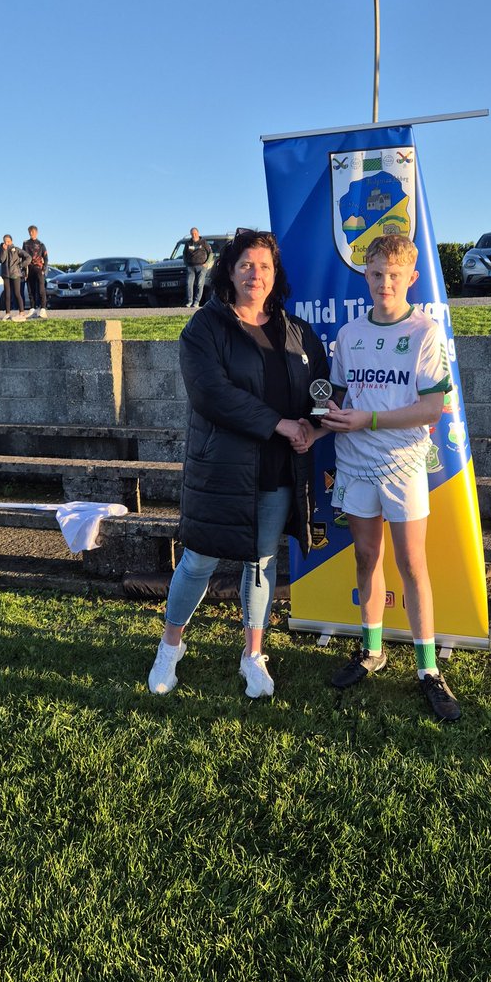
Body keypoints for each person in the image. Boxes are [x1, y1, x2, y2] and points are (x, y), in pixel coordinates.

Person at [147, 228, 328, 700]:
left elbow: (321, 388)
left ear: (275, 274)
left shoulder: (296, 331)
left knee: (261, 563)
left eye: (264, 266)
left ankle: (253, 654)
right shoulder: (204, 328)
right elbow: (212, 394)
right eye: (246, 264)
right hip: (221, 471)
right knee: (198, 561)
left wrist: (313, 425)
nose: (255, 274)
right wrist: (279, 424)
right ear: (228, 270)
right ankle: (170, 646)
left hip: (276, 471)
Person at [319, 234, 461, 722]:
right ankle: (372, 650)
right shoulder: (348, 334)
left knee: (412, 563)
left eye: (395, 275)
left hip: (402, 463)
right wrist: (321, 419)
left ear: (411, 278)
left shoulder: (425, 332)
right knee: (366, 556)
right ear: (366, 275)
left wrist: (370, 420)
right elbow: (338, 397)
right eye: (377, 274)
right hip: (355, 462)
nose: (385, 283)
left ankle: (428, 668)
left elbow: (432, 408)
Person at [0, 235, 31, 320]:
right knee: (7, 294)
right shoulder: (0, 249)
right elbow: (1, 259)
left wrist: (21, 265)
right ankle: (7, 313)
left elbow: (28, 257)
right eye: (5, 241)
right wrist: (3, 250)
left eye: (8, 241)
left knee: (17, 293)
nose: (6, 243)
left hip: (15, 274)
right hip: (6, 275)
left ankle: (21, 312)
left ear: (11, 241)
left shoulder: (16, 249)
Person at [23, 225, 49, 318]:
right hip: (29, 268)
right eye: (30, 232)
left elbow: (46, 257)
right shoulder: (25, 244)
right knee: (31, 290)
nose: (31, 233)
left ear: (36, 233)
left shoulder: (41, 244)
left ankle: (43, 309)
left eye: (33, 232)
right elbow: (23, 257)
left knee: (41, 289)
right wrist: (24, 271)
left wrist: (44, 269)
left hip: (39, 268)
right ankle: (32, 308)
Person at [183, 227, 212, 308]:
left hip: (201, 266)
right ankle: (189, 301)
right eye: (192, 234)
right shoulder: (188, 243)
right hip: (190, 267)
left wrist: (207, 263)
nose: (194, 235)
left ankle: (196, 302)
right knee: (189, 283)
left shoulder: (204, 242)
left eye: (195, 233)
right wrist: (186, 263)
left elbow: (210, 253)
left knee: (199, 284)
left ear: (198, 233)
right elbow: (184, 254)